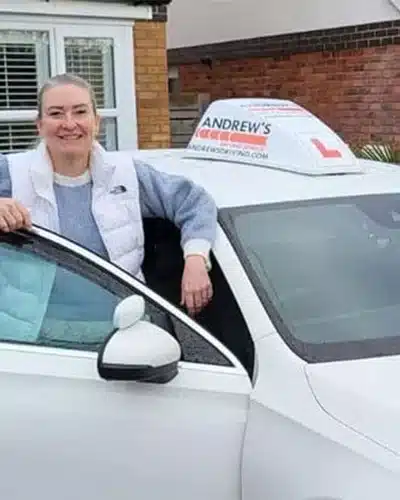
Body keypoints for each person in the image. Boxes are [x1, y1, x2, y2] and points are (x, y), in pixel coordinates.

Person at [0, 73, 217, 317]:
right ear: (39, 125)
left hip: (125, 324)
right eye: (56, 113)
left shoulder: (127, 174)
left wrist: (196, 258)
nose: (69, 124)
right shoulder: (11, 172)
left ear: (96, 122)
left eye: (80, 112)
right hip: (35, 331)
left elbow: (194, 201)